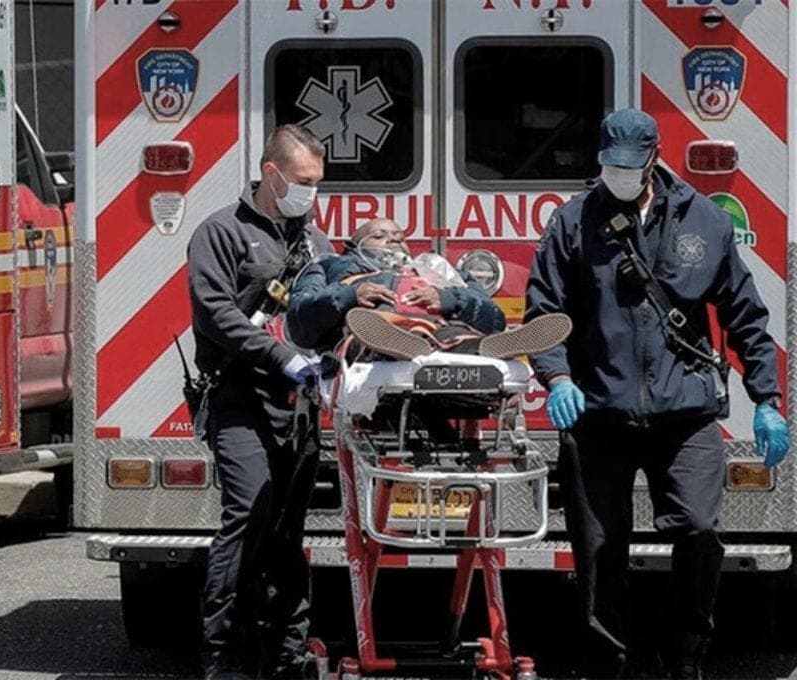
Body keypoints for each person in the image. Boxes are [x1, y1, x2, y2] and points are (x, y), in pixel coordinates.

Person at [524, 108, 789, 679]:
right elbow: (544, 312)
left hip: (684, 412)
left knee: (698, 530)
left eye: (630, 164)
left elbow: (744, 314)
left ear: (653, 159)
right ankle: (609, 663)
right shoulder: (572, 222)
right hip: (599, 413)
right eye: (610, 163)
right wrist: (558, 377)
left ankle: (684, 653)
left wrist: (767, 400)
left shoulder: (703, 221)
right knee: (599, 548)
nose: (619, 174)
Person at [187, 124, 332, 680]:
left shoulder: (314, 243)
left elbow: (329, 312)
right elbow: (216, 314)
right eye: (303, 181)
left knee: (288, 529)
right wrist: (280, 356)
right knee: (248, 513)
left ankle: (287, 650)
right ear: (272, 174)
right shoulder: (221, 233)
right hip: (240, 399)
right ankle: (225, 652)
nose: (310, 192)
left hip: (298, 407)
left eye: (317, 183)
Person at [287, 218, 569, 361]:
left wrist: (447, 298)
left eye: (399, 237)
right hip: (371, 327)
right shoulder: (332, 266)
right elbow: (298, 321)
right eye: (380, 235)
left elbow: (494, 317)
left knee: (457, 338)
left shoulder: (433, 269)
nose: (393, 241)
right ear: (353, 246)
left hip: (437, 330)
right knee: (373, 333)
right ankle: (398, 347)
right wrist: (350, 295)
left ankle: (490, 348)